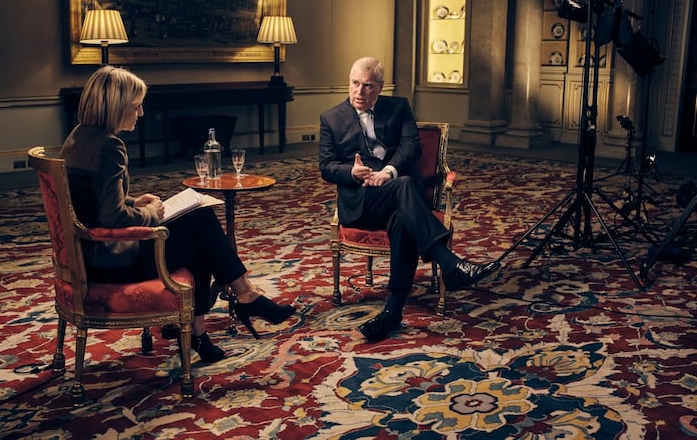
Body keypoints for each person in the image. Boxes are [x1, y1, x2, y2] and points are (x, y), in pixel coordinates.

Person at [59, 66, 296, 362]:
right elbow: (112, 219)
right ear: (117, 107)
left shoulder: (79, 137)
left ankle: (208, 326)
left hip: (87, 256)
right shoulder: (110, 146)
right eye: (136, 106)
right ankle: (240, 299)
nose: (141, 112)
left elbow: (90, 199)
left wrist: (132, 200)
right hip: (112, 261)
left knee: (198, 227)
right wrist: (150, 212)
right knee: (200, 229)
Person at [319, 57, 500, 341]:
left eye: (367, 86)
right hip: (361, 203)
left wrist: (388, 172)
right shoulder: (331, 118)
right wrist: (352, 172)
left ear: (379, 87)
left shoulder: (398, 107)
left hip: (396, 198)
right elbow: (326, 166)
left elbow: (411, 146)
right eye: (355, 84)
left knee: (403, 217)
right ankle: (449, 263)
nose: (359, 92)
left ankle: (393, 312)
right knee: (403, 186)